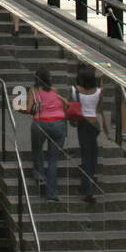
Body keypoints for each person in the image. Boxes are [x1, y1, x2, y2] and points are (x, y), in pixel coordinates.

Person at [22, 68, 67, 202]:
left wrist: (18, 107)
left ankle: (40, 174)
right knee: (53, 161)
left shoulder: (33, 91)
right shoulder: (54, 90)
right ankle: (52, 194)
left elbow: (29, 109)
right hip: (59, 125)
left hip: (41, 123)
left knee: (37, 148)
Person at [70, 63, 107, 205]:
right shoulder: (98, 92)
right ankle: (90, 182)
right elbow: (99, 109)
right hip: (94, 123)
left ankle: (88, 189)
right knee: (93, 153)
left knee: (85, 155)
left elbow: (72, 107)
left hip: (82, 123)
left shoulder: (74, 91)